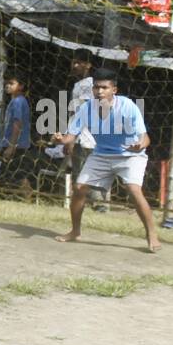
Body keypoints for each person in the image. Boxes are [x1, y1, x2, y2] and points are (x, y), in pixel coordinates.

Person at [52, 67, 160, 252]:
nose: (99, 91)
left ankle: (152, 235)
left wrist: (139, 145)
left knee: (133, 190)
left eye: (104, 88)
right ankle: (75, 231)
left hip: (130, 156)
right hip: (101, 154)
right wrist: (61, 139)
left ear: (114, 90)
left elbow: (146, 138)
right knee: (79, 188)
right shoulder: (86, 108)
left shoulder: (128, 106)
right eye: (96, 88)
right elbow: (71, 136)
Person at [66, 48, 109, 212]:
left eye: (79, 62)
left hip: (84, 138)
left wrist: (71, 136)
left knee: (84, 172)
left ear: (88, 65)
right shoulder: (88, 84)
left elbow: (81, 112)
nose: (75, 65)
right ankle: (95, 204)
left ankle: (96, 205)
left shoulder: (86, 85)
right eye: (74, 61)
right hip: (90, 137)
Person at [0, 74, 32, 188]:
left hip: (13, 144)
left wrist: (11, 146)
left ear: (21, 86)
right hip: (9, 143)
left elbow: (17, 123)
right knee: (10, 172)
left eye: (11, 83)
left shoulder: (18, 102)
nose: (7, 85)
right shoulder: (16, 101)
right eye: (6, 83)